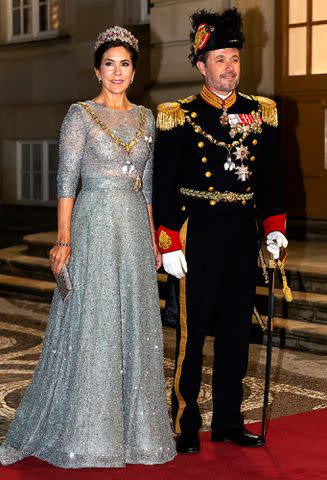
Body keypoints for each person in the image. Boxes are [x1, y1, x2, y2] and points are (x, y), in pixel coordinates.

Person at [0, 26, 176, 468]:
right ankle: (85, 433)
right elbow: (65, 183)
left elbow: (150, 188)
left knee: (133, 323)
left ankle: (136, 433)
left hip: (134, 227)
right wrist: (63, 240)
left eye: (125, 64)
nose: (117, 72)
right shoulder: (79, 115)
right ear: (97, 69)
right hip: (93, 224)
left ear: (133, 71)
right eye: (109, 64)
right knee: (94, 322)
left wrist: (155, 237)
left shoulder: (147, 117)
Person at [153, 8, 288, 454]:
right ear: (201, 65)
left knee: (235, 330)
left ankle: (229, 419)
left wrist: (273, 228)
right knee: (191, 336)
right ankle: (185, 421)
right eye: (220, 59)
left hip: (240, 235)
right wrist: (167, 239)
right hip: (199, 236)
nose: (230, 67)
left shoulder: (260, 112)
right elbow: (165, 186)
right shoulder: (179, 116)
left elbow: (270, 178)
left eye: (234, 58)